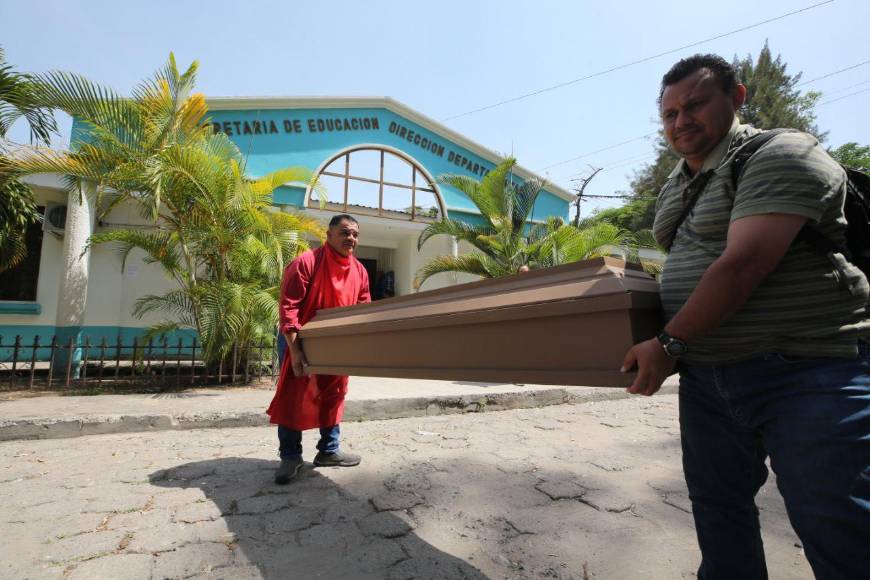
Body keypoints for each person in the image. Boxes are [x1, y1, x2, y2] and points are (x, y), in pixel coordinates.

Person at [621, 54, 869, 579]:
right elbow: (683, 267)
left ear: (736, 98)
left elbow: (744, 263)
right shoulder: (676, 184)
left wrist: (667, 344)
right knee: (718, 509)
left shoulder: (782, 152)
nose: (680, 121)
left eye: (694, 105)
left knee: (836, 522)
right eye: (669, 114)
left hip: (806, 369)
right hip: (707, 377)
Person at [268, 214, 371, 484]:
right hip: (298, 339)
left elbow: (363, 308)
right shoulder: (306, 263)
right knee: (294, 395)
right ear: (329, 235)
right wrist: (296, 351)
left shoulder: (360, 271)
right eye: (345, 232)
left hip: (338, 343)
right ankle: (290, 456)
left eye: (355, 234)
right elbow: (289, 309)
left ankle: (329, 450)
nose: (351, 238)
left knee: (334, 393)